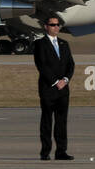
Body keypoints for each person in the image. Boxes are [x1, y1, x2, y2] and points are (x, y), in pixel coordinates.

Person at [32, 16, 75, 160]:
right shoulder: (40, 44)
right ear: (46, 27)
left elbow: (71, 65)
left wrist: (66, 80)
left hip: (63, 89)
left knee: (61, 122)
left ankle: (61, 151)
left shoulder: (64, 43)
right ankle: (45, 152)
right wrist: (56, 81)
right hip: (48, 89)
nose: (56, 27)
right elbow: (41, 66)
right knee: (47, 121)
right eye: (52, 25)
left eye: (58, 25)